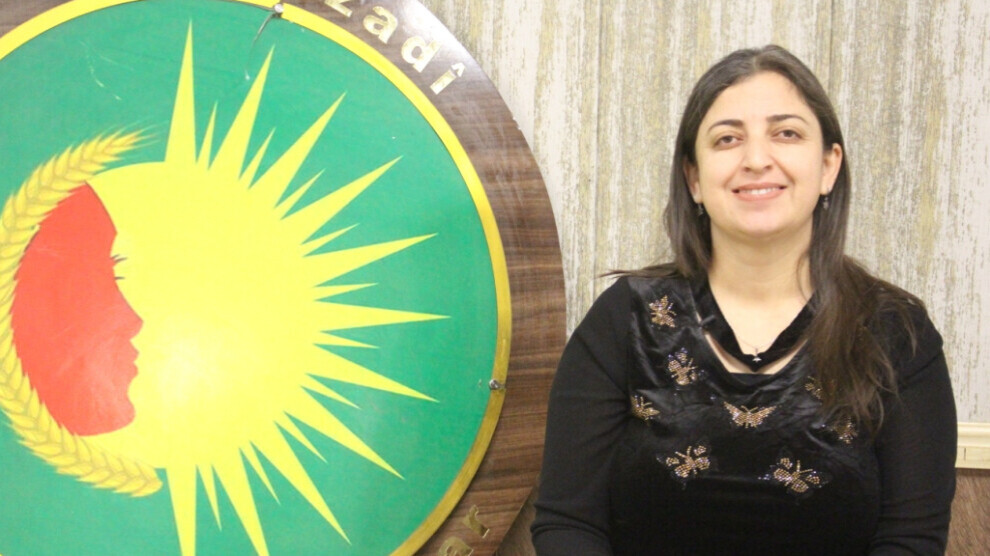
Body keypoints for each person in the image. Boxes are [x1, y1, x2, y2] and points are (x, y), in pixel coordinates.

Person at [531, 45, 956, 555]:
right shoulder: (624, 319)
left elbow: (911, 540)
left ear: (828, 166)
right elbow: (568, 523)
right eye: (728, 139)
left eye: (786, 134)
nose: (756, 160)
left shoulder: (894, 331)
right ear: (694, 178)